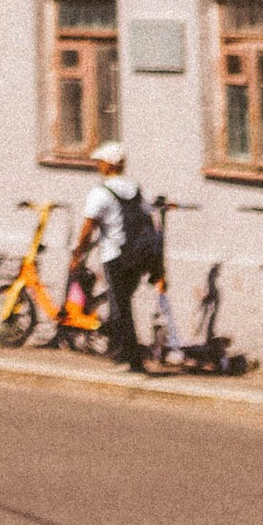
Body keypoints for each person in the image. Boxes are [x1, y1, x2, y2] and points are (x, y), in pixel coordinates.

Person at [70, 141, 155, 376]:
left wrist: (78, 255)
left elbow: (88, 228)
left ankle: (132, 359)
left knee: (120, 307)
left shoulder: (101, 192)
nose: (98, 166)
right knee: (123, 304)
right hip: (137, 256)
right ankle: (122, 352)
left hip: (115, 255)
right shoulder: (138, 189)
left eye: (100, 162)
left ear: (109, 165)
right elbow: (150, 220)